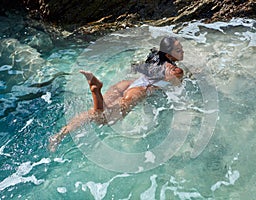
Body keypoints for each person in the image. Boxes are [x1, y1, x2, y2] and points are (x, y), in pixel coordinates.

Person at [49, 36, 184, 152]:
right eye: (178, 50)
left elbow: (137, 67)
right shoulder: (175, 70)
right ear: (168, 55)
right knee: (104, 119)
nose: (182, 51)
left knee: (93, 113)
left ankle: (60, 135)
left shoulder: (155, 58)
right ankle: (95, 90)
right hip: (140, 90)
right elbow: (175, 85)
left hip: (125, 84)